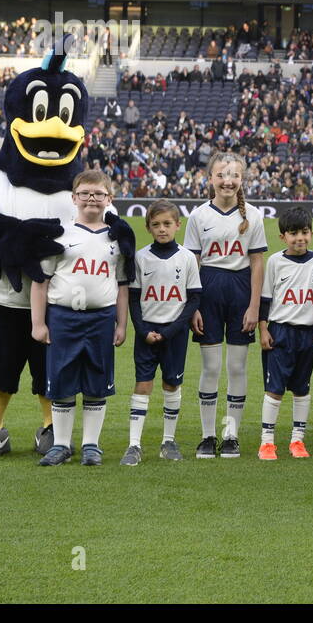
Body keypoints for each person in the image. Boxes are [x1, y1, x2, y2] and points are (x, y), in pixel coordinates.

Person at [31, 170, 130, 466]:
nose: (92, 198)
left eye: (98, 194)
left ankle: (91, 445)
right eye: (85, 193)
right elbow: (40, 281)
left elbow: (122, 285)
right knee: (61, 381)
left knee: (96, 381)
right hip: (63, 318)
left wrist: (121, 324)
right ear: (74, 198)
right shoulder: (59, 235)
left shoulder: (117, 239)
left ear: (108, 199)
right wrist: (38, 323)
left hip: (101, 319)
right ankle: (61, 444)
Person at [185, 151, 267, 458]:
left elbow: (258, 263)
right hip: (208, 289)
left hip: (240, 290)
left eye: (233, 175)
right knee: (210, 366)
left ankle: (230, 434)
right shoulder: (198, 216)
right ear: (210, 179)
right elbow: (192, 261)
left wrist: (254, 306)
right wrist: (192, 305)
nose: (227, 181)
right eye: (221, 175)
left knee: (236, 366)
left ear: (242, 180)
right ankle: (208, 435)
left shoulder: (254, 216)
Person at [124, 199, 201, 465]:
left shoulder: (187, 258)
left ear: (178, 225)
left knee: (172, 383)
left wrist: (169, 332)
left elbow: (192, 300)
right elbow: (134, 299)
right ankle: (134, 445)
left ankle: (168, 440)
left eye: (167, 224)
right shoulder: (141, 257)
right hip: (146, 333)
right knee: (143, 385)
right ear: (148, 227)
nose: (162, 229)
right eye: (156, 225)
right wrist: (143, 330)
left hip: (175, 333)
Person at [256, 206, 313, 461]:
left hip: (307, 333)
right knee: (275, 389)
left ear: (312, 233)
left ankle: (297, 440)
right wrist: (263, 329)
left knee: (302, 389)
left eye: (304, 232)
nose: (299, 238)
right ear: (283, 237)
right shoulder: (275, 262)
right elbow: (265, 299)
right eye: (293, 234)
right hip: (279, 332)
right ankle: (267, 443)